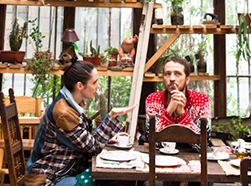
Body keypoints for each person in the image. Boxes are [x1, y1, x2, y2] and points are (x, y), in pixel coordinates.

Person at [26, 56, 137, 186]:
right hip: (49, 179)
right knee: (110, 180)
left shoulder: (68, 102)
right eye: (94, 82)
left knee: (110, 179)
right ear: (79, 85)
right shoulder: (64, 113)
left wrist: (107, 137)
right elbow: (94, 147)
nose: (98, 86)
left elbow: (85, 139)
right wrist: (111, 117)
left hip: (61, 172)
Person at [145, 56, 211, 139]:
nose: (172, 78)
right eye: (168, 74)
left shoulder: (201, 101)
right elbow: (150, 139)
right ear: (163, 78)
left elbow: (204, 141)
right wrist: (169, 111)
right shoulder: (153, 100)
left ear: (187, 80)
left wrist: (182, 114)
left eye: (178, 74)